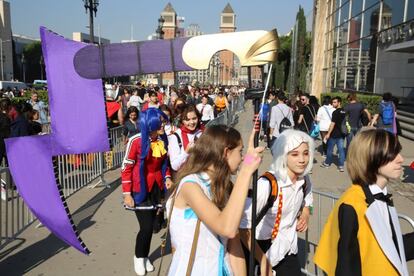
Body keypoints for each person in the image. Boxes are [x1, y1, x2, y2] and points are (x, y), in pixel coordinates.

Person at [314, 129, 414, 276]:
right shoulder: (352, 204)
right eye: (392, 155)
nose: (400, 159)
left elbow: (390, 247)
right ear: (370, 157)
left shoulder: (380, 196)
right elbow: (345, 267)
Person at [166, 125, 264, 275]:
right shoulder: (190, 186)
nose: (242, 157)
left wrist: (250, 160)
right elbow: (227, 228)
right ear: (226, 153)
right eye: (240, 151)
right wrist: (246, 171)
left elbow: (234, 242)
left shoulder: (221, 186)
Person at [239, 129, 314, 276]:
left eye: (306, 153)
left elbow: (308, 201)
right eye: (294, 154)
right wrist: (263, 260)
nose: (302, 160)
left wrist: (305, 215)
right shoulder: (267, 184)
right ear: (282, 156)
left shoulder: (305, 180)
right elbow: (242, 228)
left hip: (287, 249)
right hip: (258, 250)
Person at [121, 108, 173, 276]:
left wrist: (167, 177)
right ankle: (138, 257)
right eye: (161, 122)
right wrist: (127, 194)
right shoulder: (136, 140)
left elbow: (164, 164)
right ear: (151, 123)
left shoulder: (162, 139)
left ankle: (144, 257)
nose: (164, 124)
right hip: (140, 188)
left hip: (157, 188)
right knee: (146, 227)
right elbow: (126, 167)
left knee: (152, 227)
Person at [168, 105, 203, 171]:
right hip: (185, 176)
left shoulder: (202, 132)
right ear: (182, 121)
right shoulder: (175, 137)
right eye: (187, 120)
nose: (192, 122)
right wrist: (186, 152)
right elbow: (174, 166)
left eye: (194, 118)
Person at [321, 97, 347, 172]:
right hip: (342, 134)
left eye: (335, 102)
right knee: (341, 150)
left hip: (334, 134)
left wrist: (328, 133)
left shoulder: (335, 112)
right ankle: (341, 166)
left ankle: (327, 163)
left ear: (339, 102)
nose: (333, 104)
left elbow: (332, 124)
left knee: (329, 150)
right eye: (332, 102)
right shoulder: (344, 111)